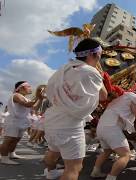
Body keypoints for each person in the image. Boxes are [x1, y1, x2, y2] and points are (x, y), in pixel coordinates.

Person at [43, 38, 108, 180]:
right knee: (74, 168)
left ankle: (50, 172)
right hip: (69, 125)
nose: (100, 59)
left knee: (53, 151)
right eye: (100, 55)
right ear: (93, 55)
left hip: (52, 118)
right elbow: (103, 96)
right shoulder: (90, 72)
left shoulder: (62, 69)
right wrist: (100, 77)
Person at [90, 92, 136, 180]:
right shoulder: (134, 98)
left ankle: (95, 171)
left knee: (106, 151)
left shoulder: (119, 99)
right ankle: (111, 178)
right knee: (125, 155)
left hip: (101, 127)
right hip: (112, 127)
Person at [0, 81, 44, 164]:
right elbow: (26, 104)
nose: (30, 88)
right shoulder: (16, 95)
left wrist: (40, 99)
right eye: (28, 86)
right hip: (13, 121)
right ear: (21, 88)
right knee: (9, 140)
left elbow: (34, 108)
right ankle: (4, 158)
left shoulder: (26, 98)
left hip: (21, 121)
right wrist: (37, 97)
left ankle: (11, 153)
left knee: (16, 140)